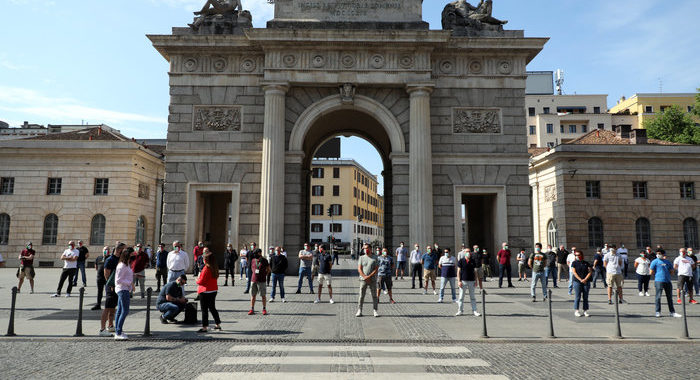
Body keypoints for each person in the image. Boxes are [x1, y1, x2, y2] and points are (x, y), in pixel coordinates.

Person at [100, 243, 125, 337]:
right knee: (107, 307)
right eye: (123, 249)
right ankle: (102, 329)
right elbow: (106, 274)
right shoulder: (110, 260)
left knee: (113, 308)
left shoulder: (120, 259)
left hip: (117, 286)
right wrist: (110, 285)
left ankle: (110, 325)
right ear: (119, 250)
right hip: (111, 287)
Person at [650, 251, 682, 318]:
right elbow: (651, 272)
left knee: (669, 297)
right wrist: (658, 275)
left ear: (663, 254)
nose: (658, 255)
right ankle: (658, 311)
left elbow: (672, 271)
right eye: (657, 254)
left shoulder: (667, 262)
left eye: (660, 254)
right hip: (659, 281)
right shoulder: (655, 261)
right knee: (658, 297)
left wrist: (667, 274)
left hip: (667, 281)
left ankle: (672, 312)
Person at [196, 252, 222, 333]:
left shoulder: (206, 268)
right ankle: (218, 324)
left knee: (204, 310)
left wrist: (197, 280)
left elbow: (201, 281)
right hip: (213, 290)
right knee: (212, 308)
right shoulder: (214, 267)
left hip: (205, 291)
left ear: (206, 260)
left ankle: (204, 327)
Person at [114, 248, 134, 340]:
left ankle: (118, 330)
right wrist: (129, 283)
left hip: (125, 289)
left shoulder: (127, 265)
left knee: (120, 310)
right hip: (122, 289)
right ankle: (118, 332)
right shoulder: (122, 266)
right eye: (131, 254)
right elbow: (118, 280)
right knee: (124, 311)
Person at [456, 250, 481, 317]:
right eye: (467, 252)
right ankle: (460, 310)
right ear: (464, 253)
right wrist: (459, 281)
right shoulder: (461, 260)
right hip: (463, 281)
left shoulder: (473, 261)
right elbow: (458, 271)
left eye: (469, 252)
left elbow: (475, 271)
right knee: (461, 297)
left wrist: (476, 281)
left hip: (471, 281)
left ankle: (474, 310)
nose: (468, 253)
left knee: (472, 297)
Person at [357, 244, 379, 317]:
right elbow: (359, 268)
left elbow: (376, 269)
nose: (365, 250)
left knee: (374, 295)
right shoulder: (361, 257)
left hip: (372, 279)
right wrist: (364, 276)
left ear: (370, 249)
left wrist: (369, 276)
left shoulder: (375, 257)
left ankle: (375, 310)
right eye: (364, 248)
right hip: (363, 279)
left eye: (367, 248)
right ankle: (359, 310)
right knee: (361, 295)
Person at [571, 250, 592, 317]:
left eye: (578, 255)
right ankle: (576, 310)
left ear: (582, 255)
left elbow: (590, 272)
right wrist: (580, 279)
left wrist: (585, 279)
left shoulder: (586, 263)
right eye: (576, 255)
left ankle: (585, 310)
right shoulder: (574, 263)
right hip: (577, 281)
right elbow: (574, 272)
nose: (577, 256)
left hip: (586, 281)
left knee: (585, 296)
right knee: (578, 296)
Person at [248, 248, 269, 315]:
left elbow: (268, 269)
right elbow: (252, 268)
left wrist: (264, 274)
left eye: (256, 253)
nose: (254, 255)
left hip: (261, 280)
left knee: (263, 295)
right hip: (253, 280)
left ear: (260, 253)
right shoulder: (253, 260)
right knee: (253, 295)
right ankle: (252, 309)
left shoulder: (264, 260)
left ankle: (264, 308)